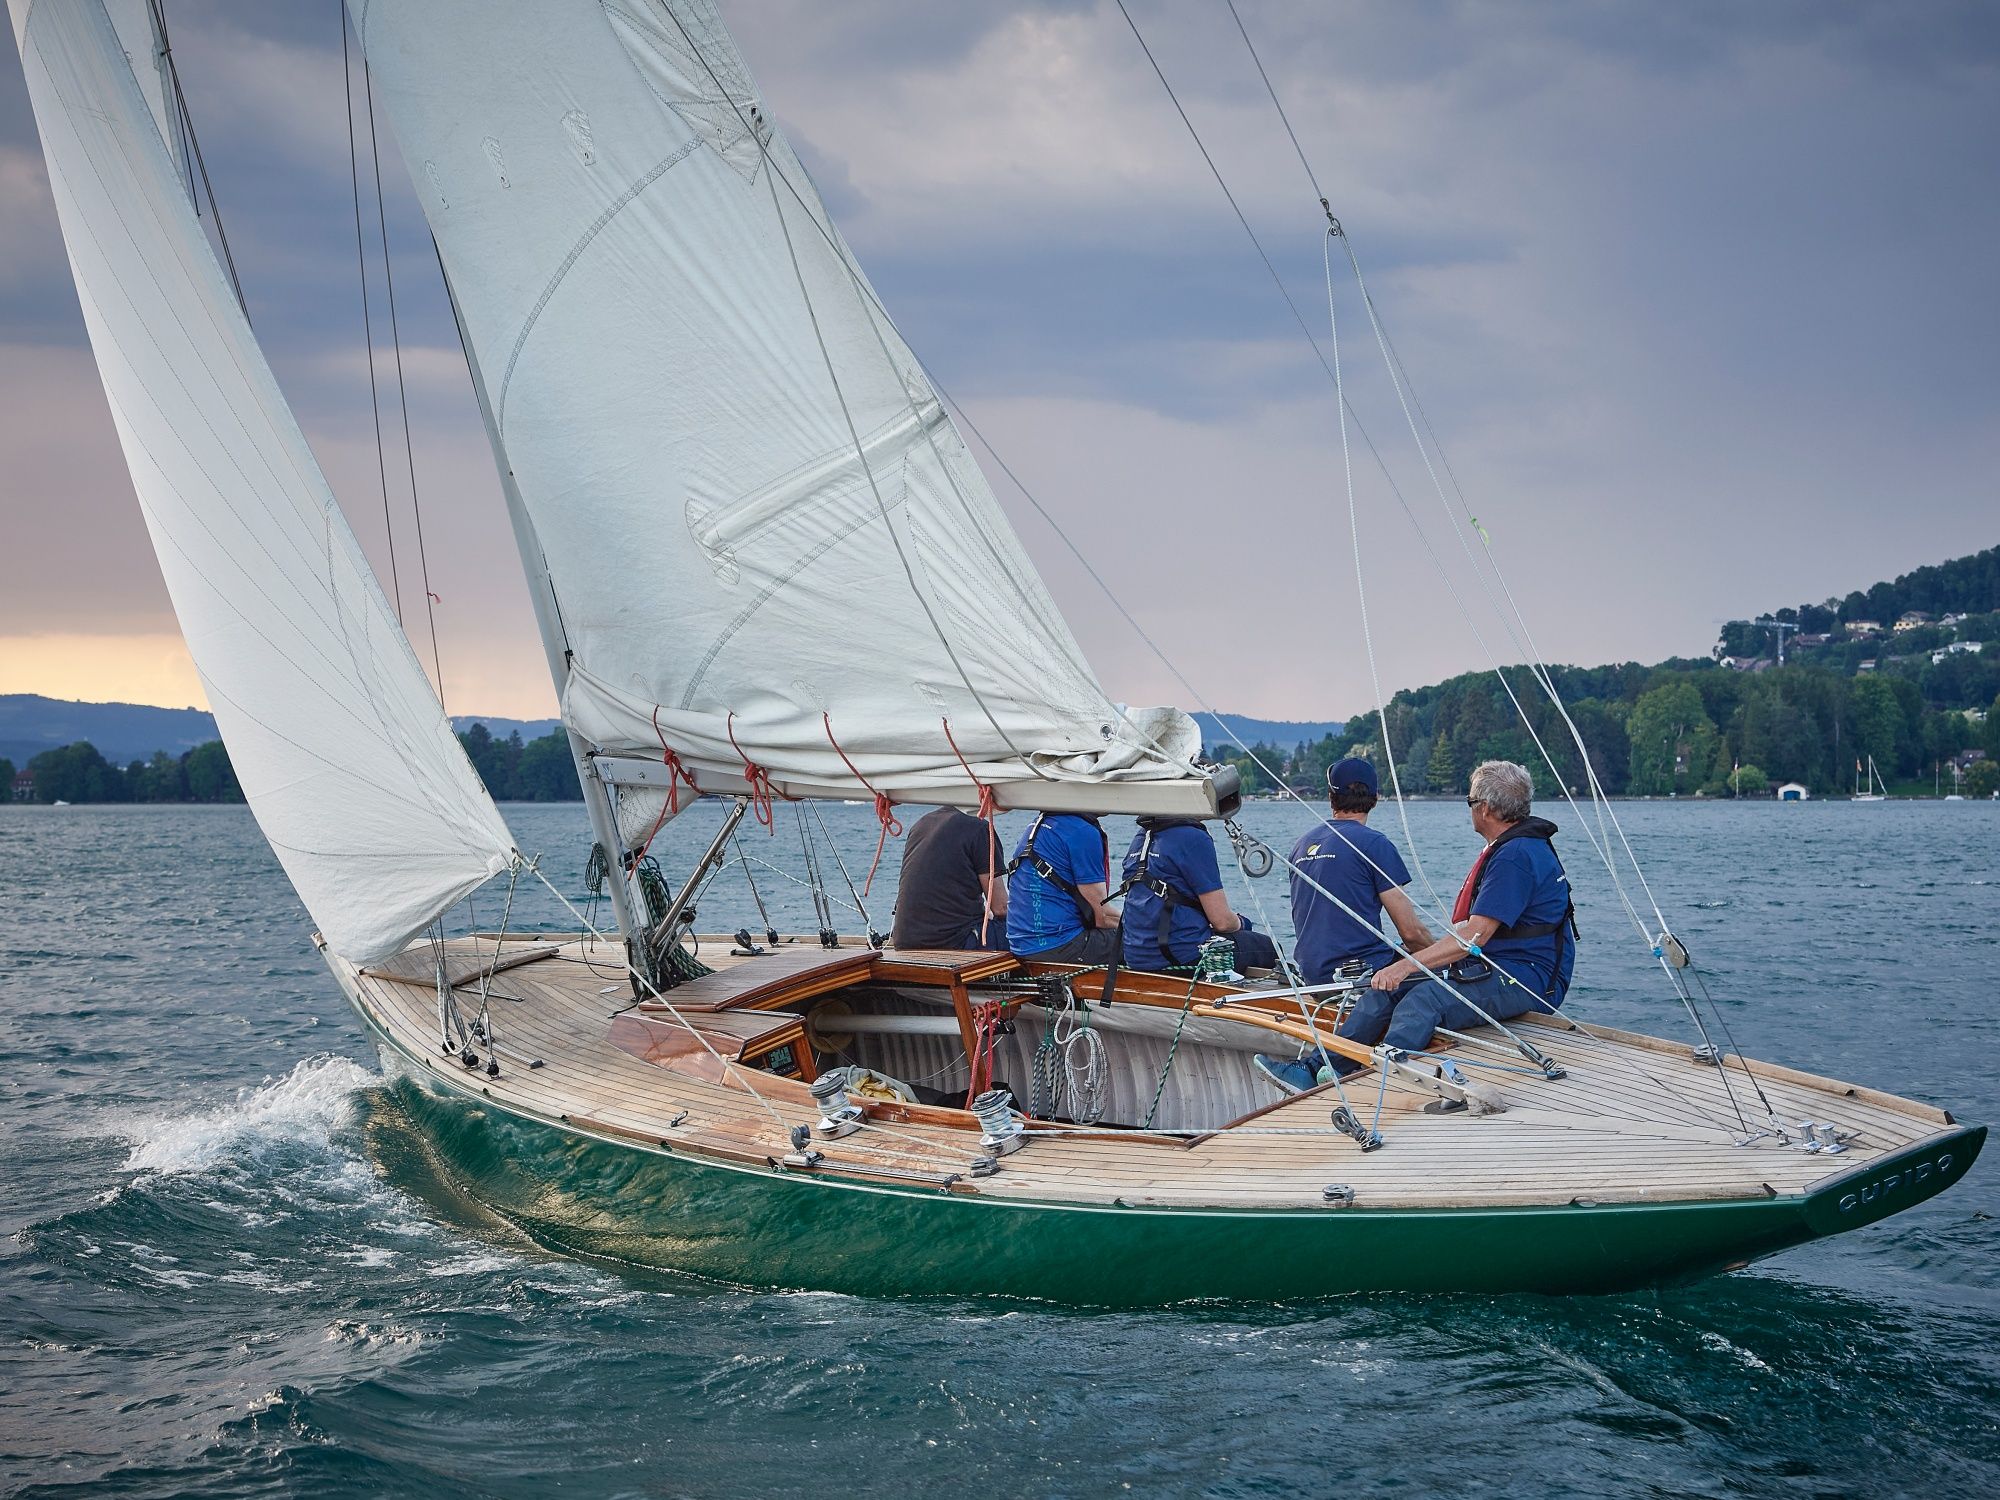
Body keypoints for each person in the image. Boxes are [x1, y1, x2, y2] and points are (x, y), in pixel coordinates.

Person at [1318, 759, 1576, 1081]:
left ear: (1484, 808)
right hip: (1499, 965)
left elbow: (1475, 937)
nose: (1469, 810)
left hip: (1529, 979)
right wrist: (1406, 966)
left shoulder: (1516, 856)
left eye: (1470, 802)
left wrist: (1405, 965)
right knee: (1388, 989)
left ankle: (1382, 1081)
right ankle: (1326, 1066)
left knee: (1423, 1000)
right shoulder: (1514, 847)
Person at [1254, 758, 1434, 1091]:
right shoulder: (1374, 845)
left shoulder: (1301, 845)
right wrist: (1447, 956)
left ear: (1331, 797)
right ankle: (1358, 1065)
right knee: (1432, 977)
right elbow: (1411, 932)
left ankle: (1335, 1065)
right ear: (1376, 797)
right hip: (1359, 972)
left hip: (1313, 972)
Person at [1118, 816, 1279, 973]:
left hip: (1135, 957)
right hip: (1183, 957)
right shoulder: (1192, 837)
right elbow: (1222, 922)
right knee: (1270, 949)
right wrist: (1243, 923)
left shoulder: (1142, 835)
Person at [1005, 812, 1121, 964]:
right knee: (1145, 944)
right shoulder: (1082, 831)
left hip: (1021, 947)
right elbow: (1102, 917)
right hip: (1060, 947)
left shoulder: (1036, 826)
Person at [888, 806, 1008, 950]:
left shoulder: (920, 824)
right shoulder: (979, 828)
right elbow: (1001, 908)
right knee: (1023, 932)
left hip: (905, 941)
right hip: (953, 942)